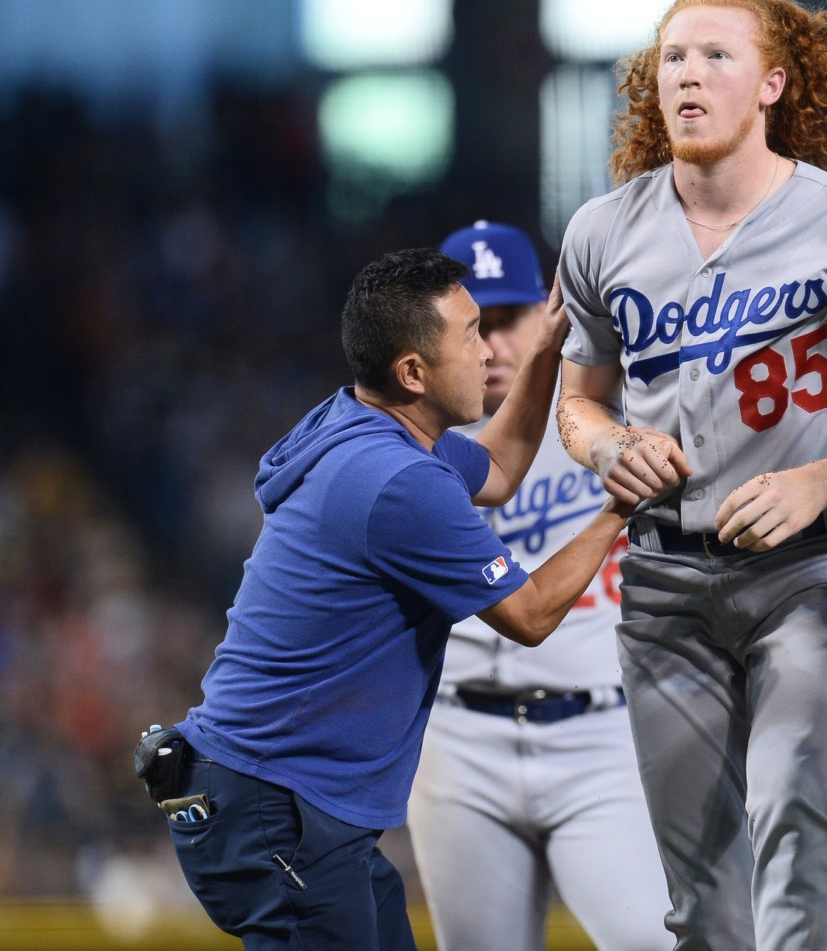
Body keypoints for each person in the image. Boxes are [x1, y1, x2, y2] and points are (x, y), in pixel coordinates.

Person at [552, 0, 827, 951]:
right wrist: (608, 444)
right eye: (672, 58)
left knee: (791, 801)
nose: (686, 74)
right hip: (662, 578)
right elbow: (578, 401)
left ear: (771, 83)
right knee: (700, 886)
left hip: (805, 568)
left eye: (714, 55)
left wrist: (824, 478)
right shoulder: (604, 230)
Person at [139, 248, 632, 950]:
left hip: (282, 800)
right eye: (469, 334)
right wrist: (621, 508)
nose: (490, 351)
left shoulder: (362, 422)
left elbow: (497, 467)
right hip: (274, 801)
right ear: (412, 372)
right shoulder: (396, 480)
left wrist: (547, 350)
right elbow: (528, 615)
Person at [406, 221, 672, 951]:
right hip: (459, 743)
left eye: (510, 319)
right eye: (472, 324)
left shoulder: (600, 422)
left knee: (653, 941)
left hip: (601, 738)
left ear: (550, 316)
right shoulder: (404, 449)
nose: (492, 346)